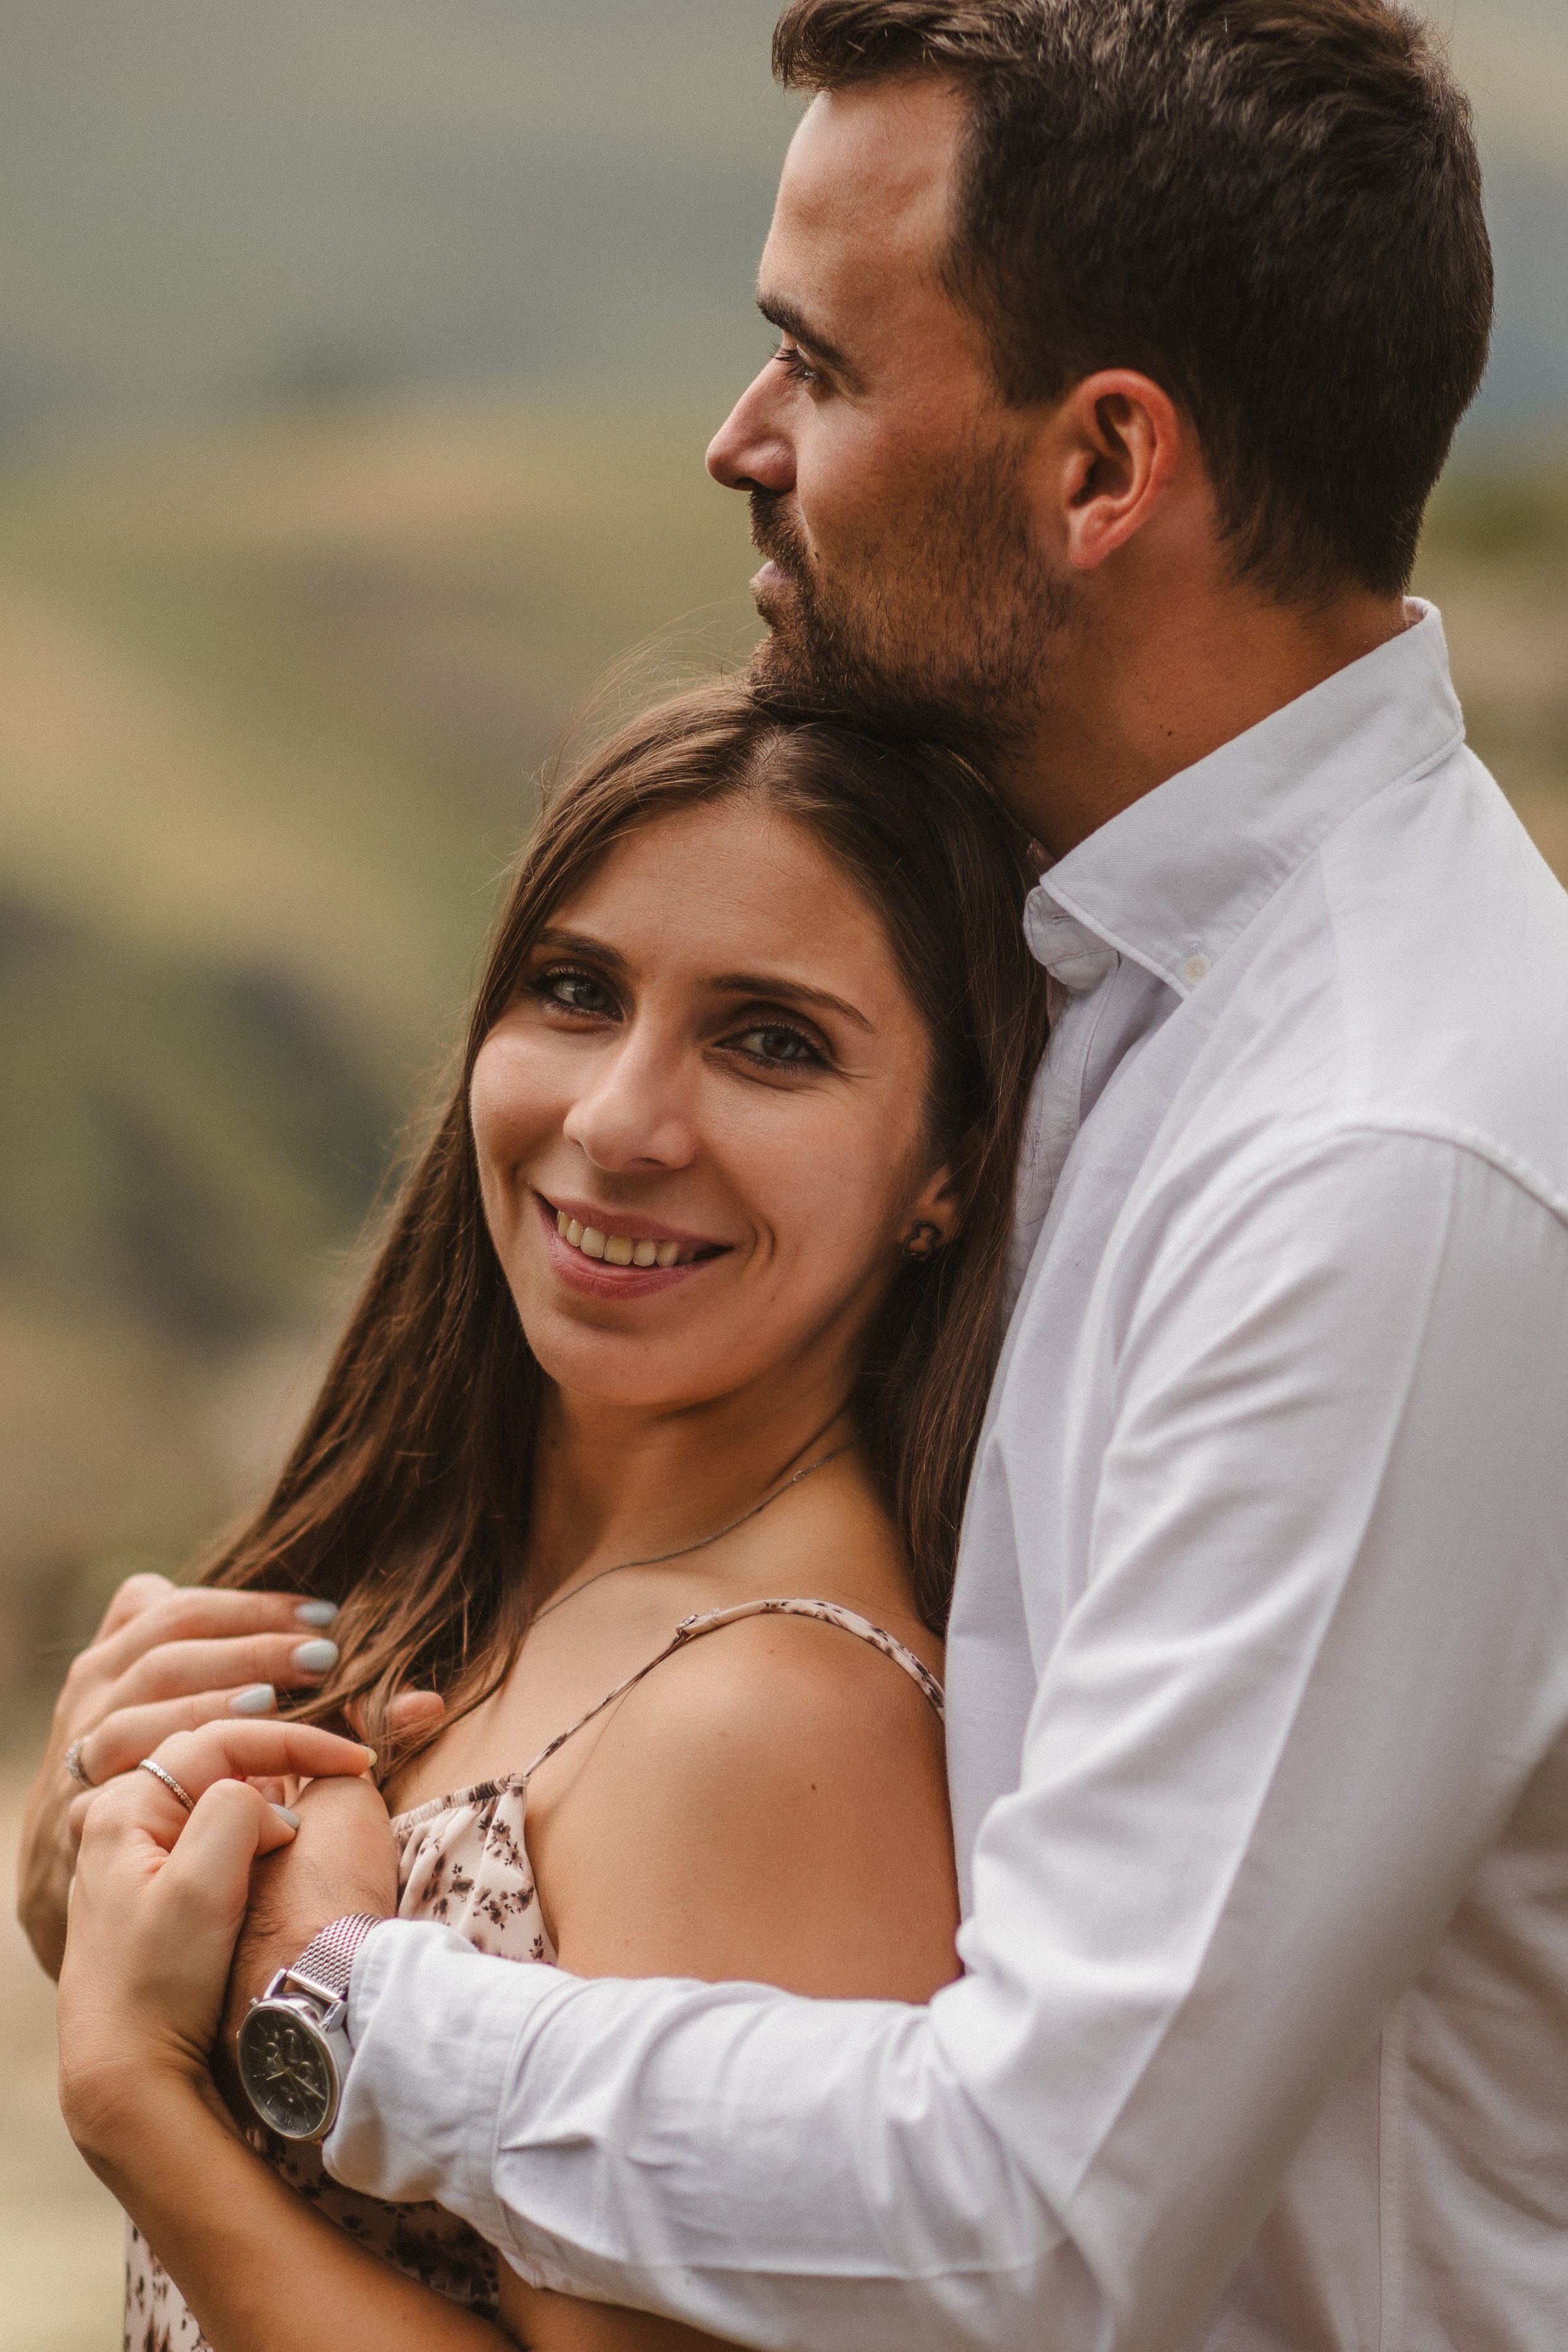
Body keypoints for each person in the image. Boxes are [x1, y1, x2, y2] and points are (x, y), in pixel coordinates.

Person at [44, 1, 1568, 2347]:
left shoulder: (1381, 1159)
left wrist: (325, 2005)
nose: (738, 440)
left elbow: (1038, 2212)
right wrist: (214, 1793)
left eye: (822, 369)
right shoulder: (1094, 979)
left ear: (1103, 467)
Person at [48, 685, 1051, 2349]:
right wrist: (85, 1898)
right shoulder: (464, 1594)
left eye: (772, 1041)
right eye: (577, 993)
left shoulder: (763, 1721)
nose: (614, 1122)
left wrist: (133, 2104)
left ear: (947, 1162)